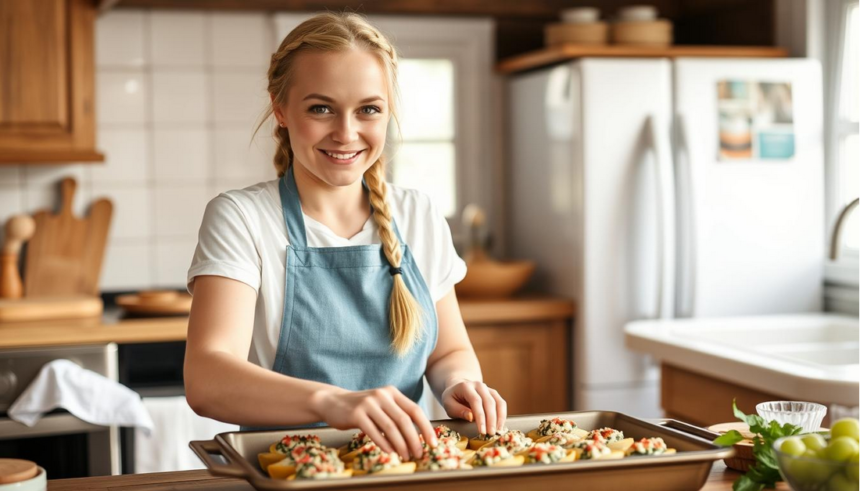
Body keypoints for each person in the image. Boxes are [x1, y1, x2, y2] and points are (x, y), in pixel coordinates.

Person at [183, 12, 506, 461]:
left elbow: (448, 350)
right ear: (280, 108)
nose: (346, 132)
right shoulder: (242, 218)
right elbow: (208, 379)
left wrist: (460, 383)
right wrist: (333, 402)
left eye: (368, 109)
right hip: (286, 471)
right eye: (321, 108)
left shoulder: (417, 213)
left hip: (402, 470)